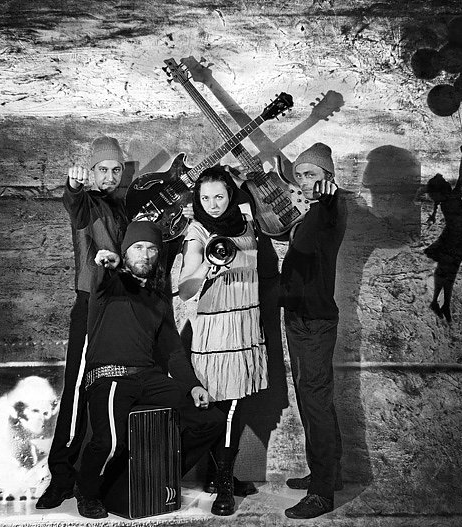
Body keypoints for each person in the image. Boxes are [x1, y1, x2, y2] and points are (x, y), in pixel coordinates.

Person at [74, 221, 223, 519]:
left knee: (210, 420)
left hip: (148, 378)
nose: (145, 254)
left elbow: (172, 351)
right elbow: (102, 269)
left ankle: (156, 473)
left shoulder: (158, 298)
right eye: (138, 247)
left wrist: (193, 385)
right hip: (110, 376)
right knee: (110, 443)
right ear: (125, 252)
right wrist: (107, 262)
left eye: (152, 248)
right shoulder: (109, 284)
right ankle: (88, 492)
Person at [37, 136, 129, 510]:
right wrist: (74, 185)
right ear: (91, 172)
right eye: (102, 170)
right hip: (91, 304)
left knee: (115, 389)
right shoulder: (87, 202)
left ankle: (98, 479)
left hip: (122, 308)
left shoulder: (124, 206)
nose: (109, 176)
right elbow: (73, 204)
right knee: (77, 390)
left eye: (116, 170)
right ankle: (61, 477)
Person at [178, 165, 268, 516]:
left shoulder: (246, 223)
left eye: (219, 196)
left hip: (244, 321)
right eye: (205, 198)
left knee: (234, 405)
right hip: (216, 329)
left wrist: (248, 179)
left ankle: (219, 477)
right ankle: (225, 485)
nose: (212, 205)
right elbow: (185, 290)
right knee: (224, 407)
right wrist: (206, 268)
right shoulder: (197, 231)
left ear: (231, 195)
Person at [280, 142, 347, 519]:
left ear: (328, 178)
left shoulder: (330, 208)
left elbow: (305, 245)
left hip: (315, 322)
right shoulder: (311, 212)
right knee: (311, 399)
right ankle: (328, 474)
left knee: (316, 401)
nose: (304, 181)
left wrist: (323, 198)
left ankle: (321, 493)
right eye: (300, 175)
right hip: (298, 317)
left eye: (312, 175)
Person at [424, 142, 462, 323]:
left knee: (448, 271)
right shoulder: (450, 197)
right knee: (447, 271)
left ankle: (443, 303)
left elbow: (461, 175)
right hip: (453, 237)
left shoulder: (447, 198)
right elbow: (461, 175)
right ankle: (438, 302)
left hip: (456, 237)